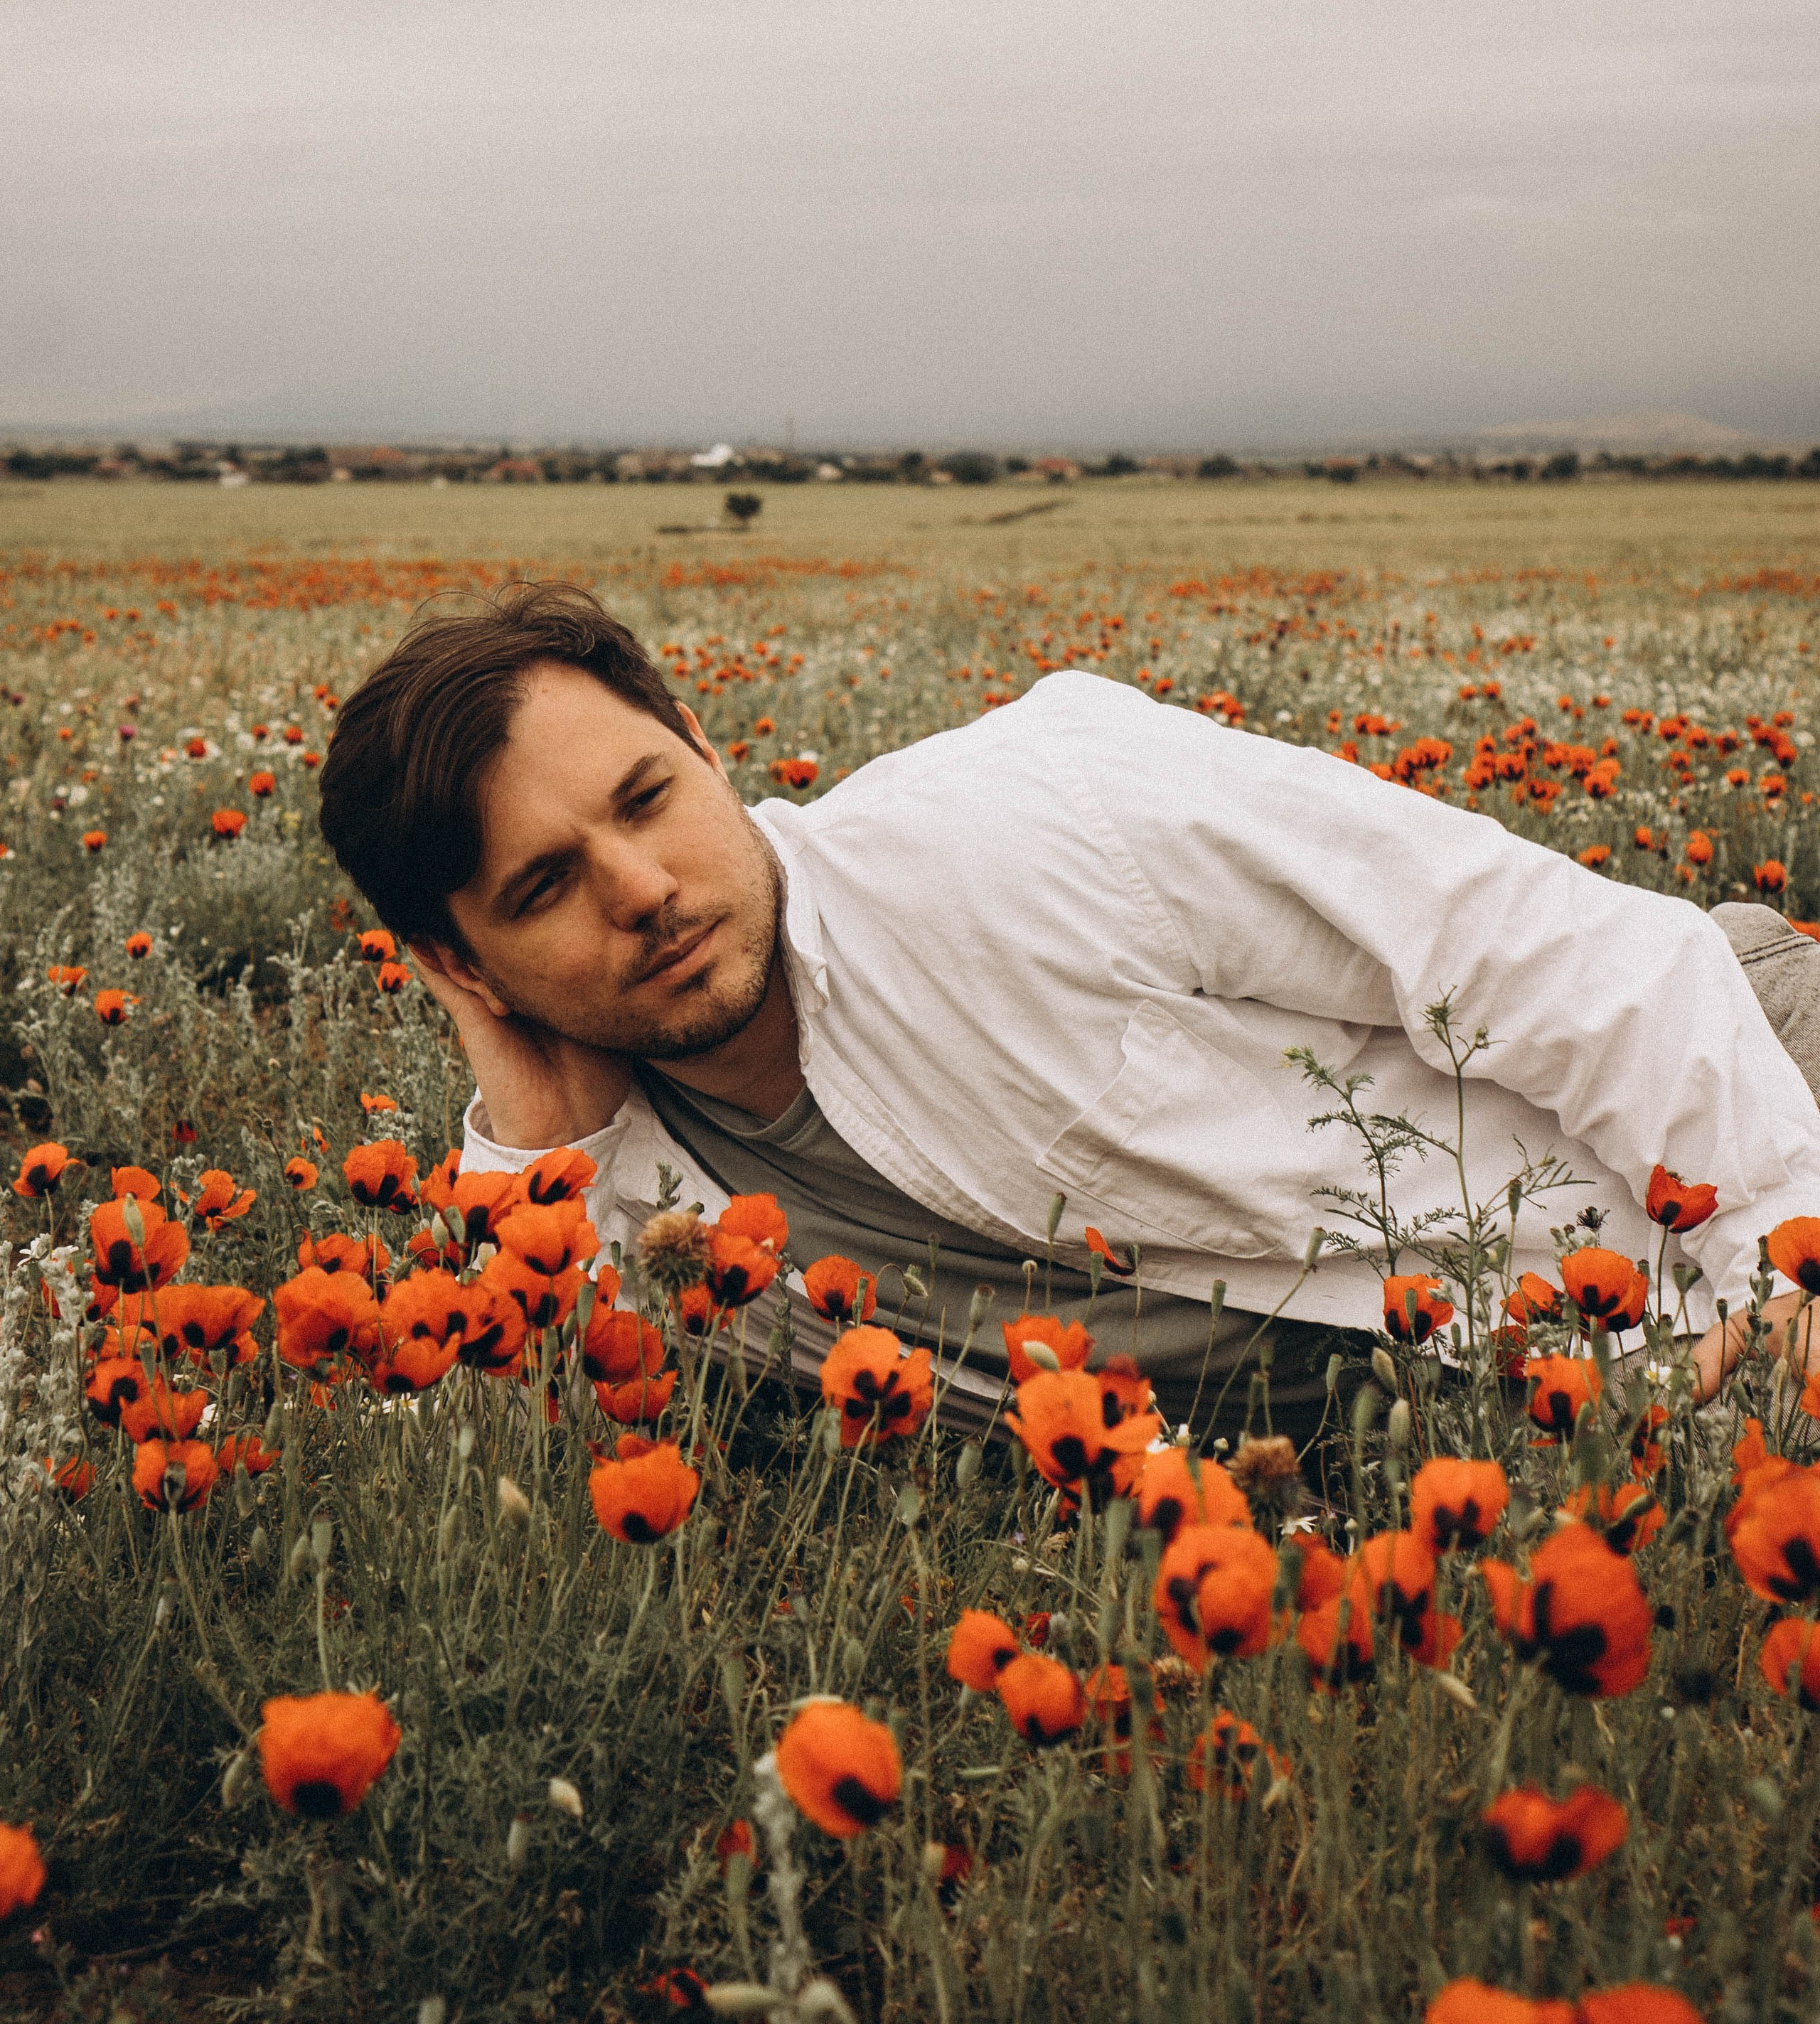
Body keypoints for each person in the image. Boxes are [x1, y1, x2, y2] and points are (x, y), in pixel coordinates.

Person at [317, 581, 1820, 1433]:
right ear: (458, 967)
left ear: (704, 745)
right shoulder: (629, 1204)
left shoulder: (1034, 815)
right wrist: (529, 1157)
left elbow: (1536, 951)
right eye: (540, 893)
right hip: (1507, 1388)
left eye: (648, 796)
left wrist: (1777, 1259)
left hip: (1723, 1099)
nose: (639, 887)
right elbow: (507, 1468)